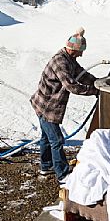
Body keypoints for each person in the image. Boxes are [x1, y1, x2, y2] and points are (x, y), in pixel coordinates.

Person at [30, 27, 99, 184]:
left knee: (46, 138)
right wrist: (94, 90)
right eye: (80, 51)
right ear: (73, 49)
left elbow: (82, 74)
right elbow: (72, 86)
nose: (82, 54)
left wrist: (98, 83)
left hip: (45, 106)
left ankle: (46, 166)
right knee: (57, 140)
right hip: (47, 108)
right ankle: (62, 174)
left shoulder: (70, 60)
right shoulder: (60, 62)